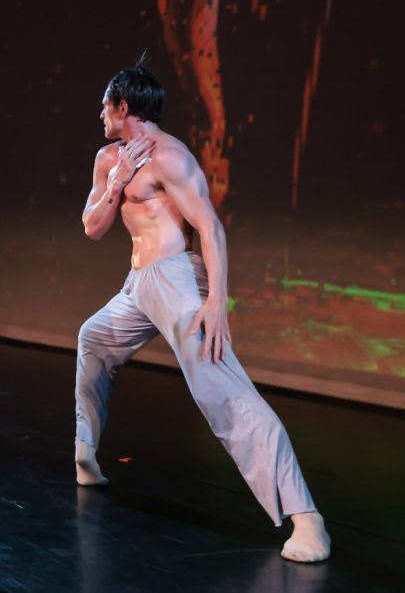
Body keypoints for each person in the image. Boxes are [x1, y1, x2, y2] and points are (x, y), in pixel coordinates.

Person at [75, 59, 330, 563]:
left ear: (124, 106)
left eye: (106, 104)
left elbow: (210, 228)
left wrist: (217, 302)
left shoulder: (171, 158)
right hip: (136, 286)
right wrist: (116, 182)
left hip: (174, 280)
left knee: (221, 393)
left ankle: (307, 520)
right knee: (93, 339)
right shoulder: (109, 159)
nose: (100, 112)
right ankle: (85, 451)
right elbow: (92, 226)